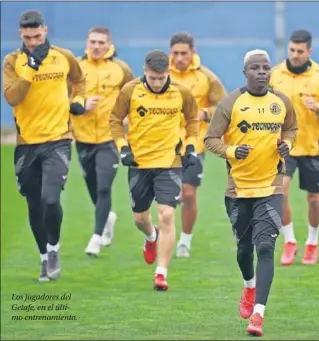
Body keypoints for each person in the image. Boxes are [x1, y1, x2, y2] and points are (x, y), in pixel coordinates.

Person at [204, 49, 297, 336]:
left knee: (266, 248)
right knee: (244, 250)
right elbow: (210, 139)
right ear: (245, 72)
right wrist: (231, 151)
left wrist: (287, 145)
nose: (261, 72)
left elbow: (291, 129)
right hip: (238, 190)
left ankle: (258, 315)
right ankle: (248, 286)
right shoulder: (231, 103)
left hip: (271, 187)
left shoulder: (281, 102)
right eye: (255, 68)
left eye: (265, 68)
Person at [3, 10, 86, 281]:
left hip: (58, 140)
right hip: (27, 144)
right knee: (35, 205)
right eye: (28, 37)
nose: (33, 42)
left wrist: (80, 102)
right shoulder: (13, 61)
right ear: (20, 34)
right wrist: (30, 69)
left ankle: (53, 250)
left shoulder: (63, 56)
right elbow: (13, 98)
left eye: (37, 36)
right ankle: (43, 257)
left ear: (45, 30)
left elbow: (79, 80)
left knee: (51, 199)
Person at [109, 50, 198, 290]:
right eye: (152, 78)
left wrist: (190, 146)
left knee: (167, 215)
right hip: (139, 164)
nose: (157, 83)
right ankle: (151, 236)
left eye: (161, 78)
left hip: (169, 162)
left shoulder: (182, 92)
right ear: (145, 71)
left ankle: (161, 273)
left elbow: (192, 120)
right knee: (140, 217)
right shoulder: (130, 91)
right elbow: (115, 121)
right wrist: (122, 148)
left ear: (168, 72)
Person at [269, 29, 319, 266]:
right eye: (292, 50)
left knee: (313, 198)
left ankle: (312, 242)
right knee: (280, 192)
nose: (295, 55)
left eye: (300, 51)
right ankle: (289, 241)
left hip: (312, 146)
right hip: (284, 146)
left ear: (309, 51)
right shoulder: (275, 74)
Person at [71, 26, 135, 256]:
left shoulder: (121, 69)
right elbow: (65, 97)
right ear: (87, 44)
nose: (96, 47)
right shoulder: (76, 67)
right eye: (92, 42)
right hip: (83, 138)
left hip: (110, 138)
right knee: (94, 189)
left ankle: (96, 238)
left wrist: (127, 118)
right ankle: (108, 217)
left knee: (104, 187)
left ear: (109, 45)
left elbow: (133, 96)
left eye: (101, 42)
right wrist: (80, 107)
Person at [168, 32, 227, 258]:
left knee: (188, 193)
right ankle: (160, 235)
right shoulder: (161, 75)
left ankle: (185, 240)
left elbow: (222, 107)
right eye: (175, 53)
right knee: (167, 194)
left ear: (193, 53)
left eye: (184, 53)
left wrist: (205, 113)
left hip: (194, 144)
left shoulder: (206, 77)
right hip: (164, 143)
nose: (180, 57)